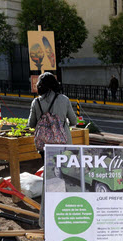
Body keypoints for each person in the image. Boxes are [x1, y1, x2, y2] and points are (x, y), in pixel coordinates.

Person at [27, 72, 77, 228]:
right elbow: (74, 121)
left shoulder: (36, 102)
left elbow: (31, 124)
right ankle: (66, 211)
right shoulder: (64, 100)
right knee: (65, 176)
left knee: (49, 178)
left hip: (45, 147)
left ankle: (46, 215)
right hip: (64, 143)